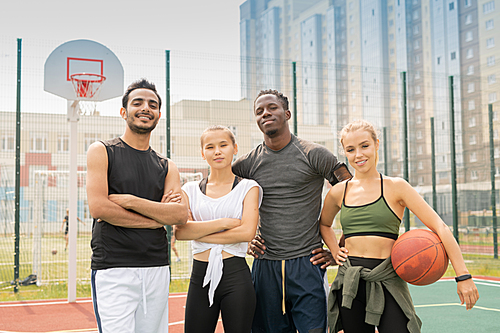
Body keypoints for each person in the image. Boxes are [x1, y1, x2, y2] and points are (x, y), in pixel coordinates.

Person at [319, 120, 479, 333]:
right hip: (351, 280)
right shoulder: (339, 192)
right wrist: (334, 249)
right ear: (345, 153)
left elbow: (440, 227)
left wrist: (463, 276)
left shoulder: (397, 187)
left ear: (377, 144)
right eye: (350, 149)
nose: (358, 154)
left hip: (388, 279)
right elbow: (324, 223)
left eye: (364, 145)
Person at [232, 89, 351, 332]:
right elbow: (218, 198)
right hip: (266, 267)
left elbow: (357, 197)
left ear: (286, 113)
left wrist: (337, 249)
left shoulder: (314, 154)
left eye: (272, 108)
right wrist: (243, 240)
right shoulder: (246, 164)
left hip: (307, 264)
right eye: (259, 111)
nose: (265, 113)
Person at [86, 79, 188, 333]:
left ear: (158, 115)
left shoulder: (167, 166)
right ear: (124, 112)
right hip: (114, 267)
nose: (145, 108)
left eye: (152, 104)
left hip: (156, 266)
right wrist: (156, 219)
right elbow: (99, 208)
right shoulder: (102, 151)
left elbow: (179, 214)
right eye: (138, 103)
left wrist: (130, 201)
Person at [175, 125, 262, 333]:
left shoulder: (249, 187)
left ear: (235, 148)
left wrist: (199, 233)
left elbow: (247, 233)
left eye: (223, 145)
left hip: (236, 277)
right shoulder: (189, 190)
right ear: (202, 153)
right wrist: (223, 223)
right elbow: (181, 232)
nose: (217, 151)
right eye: (210, 147)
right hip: (200, 276)